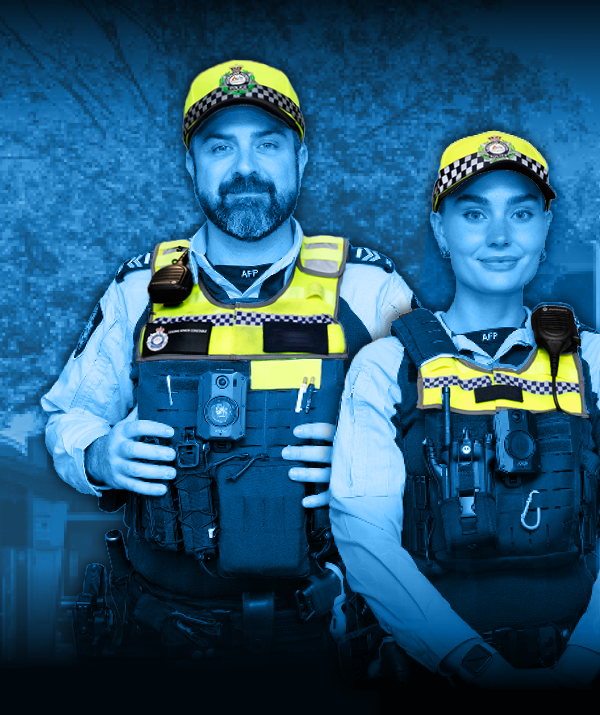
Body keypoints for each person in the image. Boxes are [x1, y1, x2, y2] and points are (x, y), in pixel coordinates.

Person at [41, 60, 414, 660]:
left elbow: (435, 443)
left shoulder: (370, 288)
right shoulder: (139, 290)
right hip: (160, 635)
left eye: (267, 144)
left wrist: (364, 461)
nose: (245, 168)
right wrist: (98, 454)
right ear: (191, 165)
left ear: (302, 157)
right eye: (220, 147)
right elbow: (67, 415)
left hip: (335, 636)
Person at [327, 131, 600, 689]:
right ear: (440, 229)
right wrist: (476, 668)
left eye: (521, 212)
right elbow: (363, 533)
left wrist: (582, 665)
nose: (499, 236)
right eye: (473, 214)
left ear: (545, 228)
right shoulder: (385, 367)